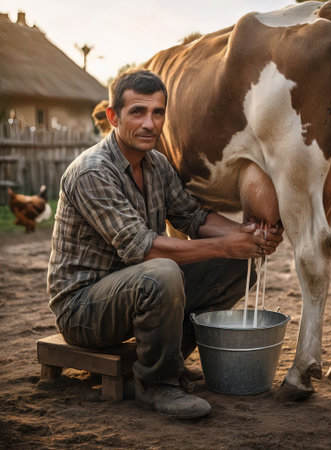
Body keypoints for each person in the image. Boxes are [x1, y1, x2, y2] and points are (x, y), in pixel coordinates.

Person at [47, 69, 283, 419]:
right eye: (137, 112)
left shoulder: (156, 164)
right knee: (163, 271)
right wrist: (225, 246)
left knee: (236, 264)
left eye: (158, 113)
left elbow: (193, 218)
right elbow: (145, 250)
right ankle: (157, 385)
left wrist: (246, 236)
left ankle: (169, 362)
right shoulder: (92, 172)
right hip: (83, 308)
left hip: (136, 287)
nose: (149, 123)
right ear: (113, 116)